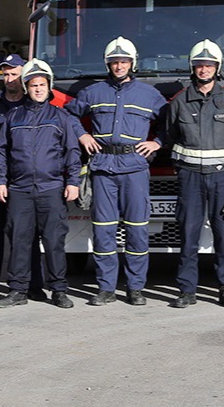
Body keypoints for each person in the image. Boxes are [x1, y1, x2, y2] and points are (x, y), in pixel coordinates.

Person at [66, 37, 167, 306]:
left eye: (123, 61)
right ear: (108, 64)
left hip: (134, 168)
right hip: (103, 168)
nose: (119, 65)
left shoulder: (149, 95)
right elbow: (69, 115)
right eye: (114, 61)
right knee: (103, 230)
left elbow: (172, 122)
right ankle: (106, 288)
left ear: (132, 63)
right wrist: (82, 135)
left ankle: (135, 288)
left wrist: (157, 141)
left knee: (137, 230)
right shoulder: (93, 92)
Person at [0, 59, 81, 309]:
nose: (38, 89)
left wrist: (72, 181)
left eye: (42, 85)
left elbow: (72, 151)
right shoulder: (13, 117)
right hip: (19, 190)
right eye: (33, 85)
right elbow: (1, 151)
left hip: (51, 189)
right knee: (20, 241)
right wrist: (0, 180)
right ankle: (18, 290)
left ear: (49, 86)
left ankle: (59, 290)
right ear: (26, 87)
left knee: (54, 242)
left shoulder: (60, 117)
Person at [165, 40, 224, 309]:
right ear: (193, 68)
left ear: (217, 68)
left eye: (209, 65)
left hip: (222, 178)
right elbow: (170, 137)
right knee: (188, 234)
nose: (204, 70)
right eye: (199, 65)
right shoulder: (179, 103)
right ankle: (187, 290)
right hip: (190, 178)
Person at [0, 54, 43, 299]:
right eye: (5, 74)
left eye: (14, 74)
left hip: (23, 181)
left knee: (26, 235)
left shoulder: (33, 104)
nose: (9, 79)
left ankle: (33, 285)